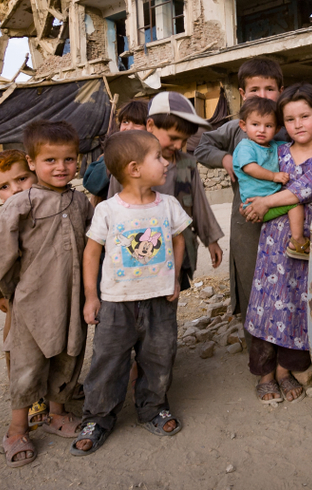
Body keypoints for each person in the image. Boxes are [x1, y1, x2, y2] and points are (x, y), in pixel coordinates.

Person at [71, 130, 192, 455]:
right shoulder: (108, 210)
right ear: (135, 168)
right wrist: (91, 296)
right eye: (158, 157)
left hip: (159, 300)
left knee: (159, 356)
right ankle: (97, 417)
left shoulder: (168, 205)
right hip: (115, 303)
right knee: (108, 362)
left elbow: (179, 239)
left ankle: (153, 408)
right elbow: (91, 252)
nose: (165, 163)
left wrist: (175, 279)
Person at [0, 120, 93, 467]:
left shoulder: (80, 202)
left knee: (69, 353)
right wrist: (12, 288)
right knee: (28, 364)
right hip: (33, 301)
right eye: (50, 160)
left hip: (72, 296)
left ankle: (56, 413)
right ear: (31, 162)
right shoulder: (22, 203)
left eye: (69, 159)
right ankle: (17, 429)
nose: (61, 167)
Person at [240, 83, 312, 404]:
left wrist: (265, 203)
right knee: (267, 303)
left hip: (306, 244)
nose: (298, 124)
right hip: (272, 243)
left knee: (297, 304)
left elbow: (306, 188)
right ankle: (265, 375)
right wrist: (252, 203)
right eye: (290, 119)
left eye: (305, 116)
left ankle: (285, 370)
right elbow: (252, 176)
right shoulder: (277, 151)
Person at [195, 58, 283, 322]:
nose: (262, 95)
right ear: (243, 94)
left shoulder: (288, 124)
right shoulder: (236, 128)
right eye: (255, 90)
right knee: (250, 276)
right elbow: (202, 147)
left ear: (281, 91)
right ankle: (253, 336)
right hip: (246, 217)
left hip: (285, 214)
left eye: (270, 89)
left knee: (285, 277)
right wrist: (225, 158)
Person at [109, 92, 224, 289]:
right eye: (173, 138)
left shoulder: (187, 165)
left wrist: (211, 240)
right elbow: (113, 211)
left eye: (184, 140)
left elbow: (199, 206)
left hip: (178, 253)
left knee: (171, 295)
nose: (178, 145)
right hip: (137, 255)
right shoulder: (127, 167)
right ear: (150, 125)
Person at [0, 150, 51, 427]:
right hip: (19, 295)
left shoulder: (52, 208)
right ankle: (30, 396)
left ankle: (55, 387)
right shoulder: (4, 221)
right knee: (18, 345)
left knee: (54, 342)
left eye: (22, 179)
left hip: (52, 290)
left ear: (35, 174)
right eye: (5, 187)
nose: (16, 189)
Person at [232, 96, 310, 260]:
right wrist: (274, 176)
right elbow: (250, 167)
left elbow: (296, 146)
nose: (261, 130)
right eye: (255, 124)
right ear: (243, 125)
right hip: (255, 205)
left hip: (269, 199)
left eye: (268, 126)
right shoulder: (246, 146)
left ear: (276, 129)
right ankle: (298, 241)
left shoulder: (275, 146)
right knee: (295, 203)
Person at [82, 100, 149, 201]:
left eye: (137, 123)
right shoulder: (110, 155)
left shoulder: (154, 157)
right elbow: (91, 184)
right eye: (125, 122)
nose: (129, 128)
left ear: (149, 127)